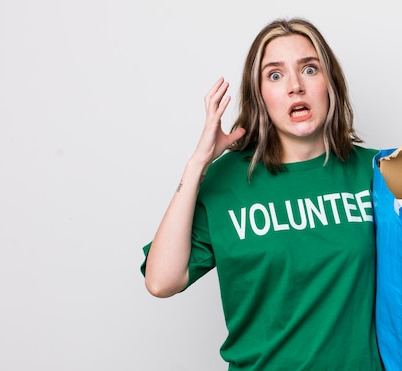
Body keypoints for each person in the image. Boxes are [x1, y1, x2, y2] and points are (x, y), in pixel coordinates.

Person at [141, 17, 384, 370]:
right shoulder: (228, 181)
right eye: (275, 75)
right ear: (260, 97)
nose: (295, 86)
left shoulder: (377, 172)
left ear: (331, 83)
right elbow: (161, 281)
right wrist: (197, 165)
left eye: (310, 69)